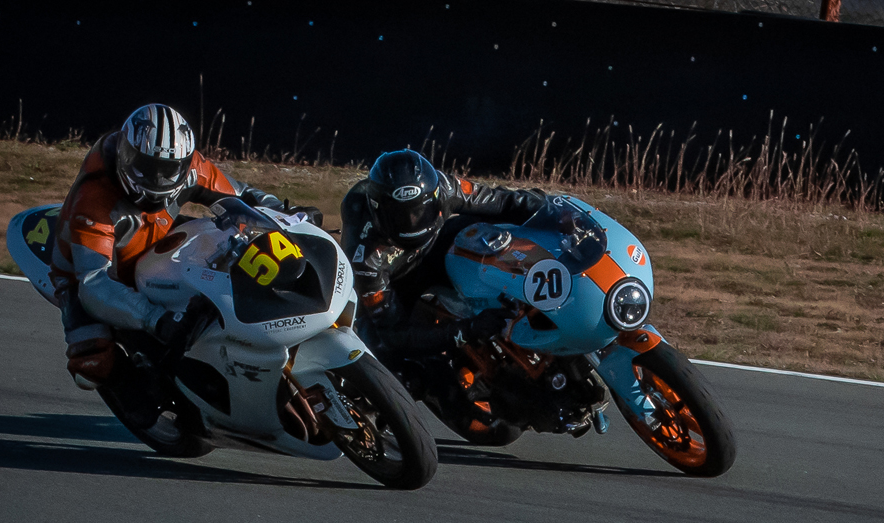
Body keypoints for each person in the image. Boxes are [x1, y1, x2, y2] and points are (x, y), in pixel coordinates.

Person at [52, 103, 309, 396]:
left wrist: (283, 211)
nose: (158, 179)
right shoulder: (94, 199)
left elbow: (242, 195)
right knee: (92, 365)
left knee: (233, 252)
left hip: (159, 240)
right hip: (85, 272)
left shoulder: (192, 166)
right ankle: (142, 399)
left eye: (168, 170)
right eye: (146, 167)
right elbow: (93, 282)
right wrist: (154, 319)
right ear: (125, 155)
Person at [340, 149, 545, 357]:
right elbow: (393, 333)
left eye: (420, 211)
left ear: (435, 197)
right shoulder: (364, 257)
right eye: (399, 216)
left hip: (436, 245)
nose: (412, 222)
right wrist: (467, 330)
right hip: (396, 281)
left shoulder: (445, 186)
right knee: (378, 349)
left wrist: (551, 206)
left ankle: (528, 286)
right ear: (377, 211)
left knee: (490, 224)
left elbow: (503, 201)